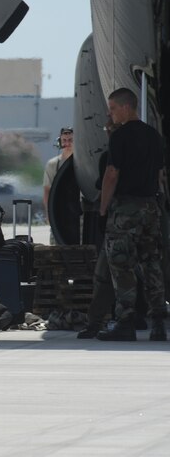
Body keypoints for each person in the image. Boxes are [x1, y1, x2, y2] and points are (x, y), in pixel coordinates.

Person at [96, 88, 166, 342]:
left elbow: (112, 174)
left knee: (122, 264)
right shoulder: (153, 136)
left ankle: (125, 321)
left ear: (126, 107)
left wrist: (103, 210)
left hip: (126, 208)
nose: (110, 114)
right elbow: (159, 175)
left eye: (113, 108)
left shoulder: (120, 136)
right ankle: (158, 322)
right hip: (150, 207)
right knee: (152, 265)